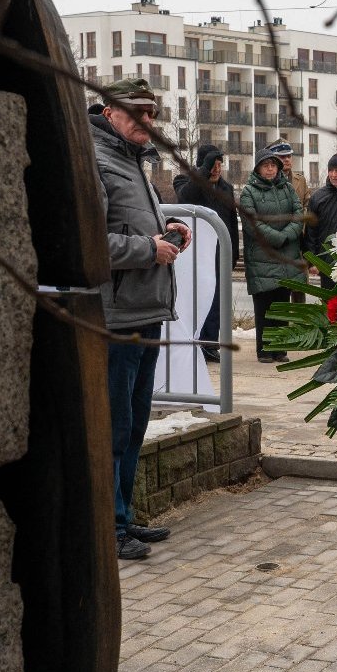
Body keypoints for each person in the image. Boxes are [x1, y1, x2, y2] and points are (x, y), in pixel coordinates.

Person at [90, 78, 190, 561]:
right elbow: (90, 244)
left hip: (145, 310)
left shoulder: (133, 161)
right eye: (138, 112)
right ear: (110, 112)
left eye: (152, 113)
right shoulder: (97, 160)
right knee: (114, 422)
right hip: (117, 315)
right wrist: (149, 248)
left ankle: (124, 517)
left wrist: (167, 233)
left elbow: (129, 229)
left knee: (133, 423)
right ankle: (108, 526)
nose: (148, 121)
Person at [174, 143, 240, 364]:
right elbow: (185, 197)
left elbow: (230, 222)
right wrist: (203, 172)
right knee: (195, 298)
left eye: (220, 164)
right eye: (213, 164)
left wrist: (233, 253)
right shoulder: (185, 182)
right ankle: (192, 342)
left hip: (218, 253)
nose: (217, 168)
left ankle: (210, 345)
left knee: (216, 301)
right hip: (194, 253)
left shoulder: (226, 188)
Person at [239, 147, 304, 363]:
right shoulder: (248, 192)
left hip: (286, 255)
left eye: (273, 165)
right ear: (258, 168)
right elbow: (252, 223)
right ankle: (265, 350)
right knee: (264, 305)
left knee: (281, 304)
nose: (270, 169)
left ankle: (280, 348)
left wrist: (286, 235)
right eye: (266, 165)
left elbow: (298, 213)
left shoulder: (287, 189)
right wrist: (276, 237)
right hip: (262, 257)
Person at [267, 138, 310, 205]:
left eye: (289, 156)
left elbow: (307, 205)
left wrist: (301, 215)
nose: (287, 159)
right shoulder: (267, 181)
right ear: (273, 159)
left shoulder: (301, 180)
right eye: (282, 156)